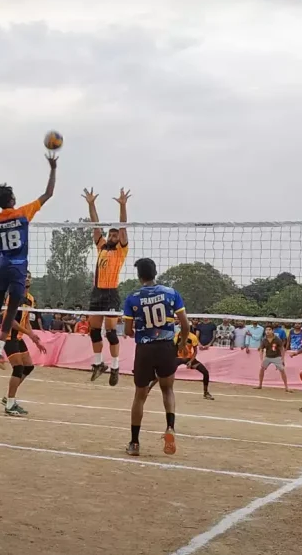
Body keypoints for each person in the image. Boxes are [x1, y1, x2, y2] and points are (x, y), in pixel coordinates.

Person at [0, 151, 57, 366]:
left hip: (1, 265)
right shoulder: (23, 213)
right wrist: (53, 168)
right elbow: (48, 194)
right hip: (18, 267)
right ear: (12, 199)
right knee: (11, 308)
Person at [122, 257, 187, 457]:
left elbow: (127, 330)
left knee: (139, 396)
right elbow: (185, 325)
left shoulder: (132, 298)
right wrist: (182, 344)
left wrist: (139, 332)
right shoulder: (171, 293)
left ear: (139, 275)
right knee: (167, 390)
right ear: (155, 272)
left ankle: (134, 443)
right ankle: (170, 427)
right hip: (166, 347)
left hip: (145, 349)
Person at [82, 186, 131, 386]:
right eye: (110, 235)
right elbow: (95, 225)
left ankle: (116, 367)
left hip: (111, 293)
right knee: (93, 331)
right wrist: (91, 204)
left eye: (114, 235)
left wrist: (122, 206)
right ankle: (98, 363)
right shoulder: (101, 246)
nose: (112, 237)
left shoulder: (121, 250)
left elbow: (123, 226)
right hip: (97, 292)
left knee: (111, 332)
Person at [0, 271, 48, 416]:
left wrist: (35, 339)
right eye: (24, 276)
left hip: (18, 338)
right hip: (8, 337)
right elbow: (10, 321)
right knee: (18, 368)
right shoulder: (14, 296)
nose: (26, 279)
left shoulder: (30, 299)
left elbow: (26, 322)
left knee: (29, 367)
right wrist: (28, 333)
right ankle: (9, 405)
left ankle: (8, 398)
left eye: (29, 277)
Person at [255, 325, 290, 392]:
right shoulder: (264, 339)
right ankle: (260, 385)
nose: (267, 331)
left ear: (272, 331)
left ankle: (286, 387)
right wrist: (261, 359)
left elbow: (282, 349)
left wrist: (282, 359)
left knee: (282, 370)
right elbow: (261, 349)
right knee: (262, 369)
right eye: (266, 330)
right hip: (267, 357)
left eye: (269, 329)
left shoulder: (277, 339)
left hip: (277, 357)